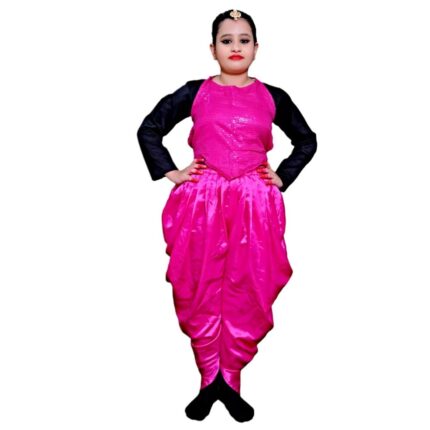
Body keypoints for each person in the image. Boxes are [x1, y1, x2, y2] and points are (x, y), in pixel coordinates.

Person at [137, 9, 317, 422]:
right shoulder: (194, 92)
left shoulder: (274, 97)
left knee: (249, 281)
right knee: (198, 282)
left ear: (256, 48)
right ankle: (208, 379)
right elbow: (149, 128)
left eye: (244, 40)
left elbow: (306, 140)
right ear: (212, 48)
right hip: (202, 202)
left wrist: (283, 176)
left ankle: (231, 379)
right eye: (227, 40)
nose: (236, 47)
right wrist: (173, 172)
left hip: (255, 202)